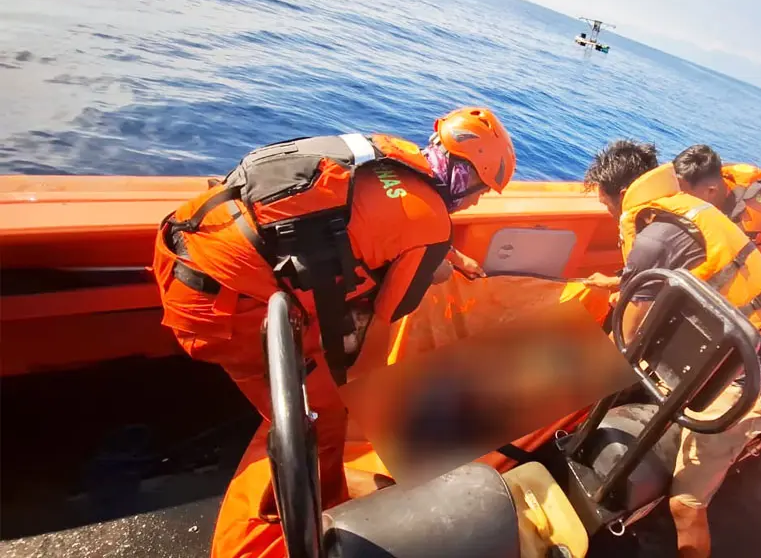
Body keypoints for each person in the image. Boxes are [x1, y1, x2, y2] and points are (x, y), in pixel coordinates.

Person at [151, 106, 516, 558]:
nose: (477, 200)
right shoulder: (432, 225)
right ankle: (327, 520)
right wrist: (363, 390)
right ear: (463, 175)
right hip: (216, 309)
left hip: (185, 244)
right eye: (480, 188)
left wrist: (447, 256)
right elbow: (387, 315)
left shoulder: (392, 152)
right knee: (321, 416)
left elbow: (374, 218)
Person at [581, 139, 761, 558]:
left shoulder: (651, 240)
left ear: (623, 196)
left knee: (687, 503)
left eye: (609, 208)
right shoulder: (695, 213)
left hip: (747, 389)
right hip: (727, 362)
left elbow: (624, 342)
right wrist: (615, 285)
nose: (612, 218)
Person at [672, 144, 761, 267]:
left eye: (684, 193)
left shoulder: (741, 222)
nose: (679, 196)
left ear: (711, 191)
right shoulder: (717, 177)